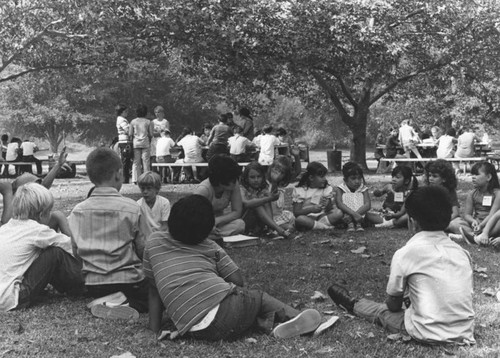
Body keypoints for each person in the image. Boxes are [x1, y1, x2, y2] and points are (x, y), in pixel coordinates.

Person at [145, 194, 322, 340]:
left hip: (197, 331)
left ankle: (272, 325)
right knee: (257, 298)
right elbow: (238, 280)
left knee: (243, 312)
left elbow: (154, 291)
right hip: (226, 313)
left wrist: (153, 330)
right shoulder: (209, 246)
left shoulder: (153, 242)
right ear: (206, 230)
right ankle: (299, 317)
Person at [327, 185, 475, 345]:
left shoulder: (406, 253)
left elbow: (393, 305)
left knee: (381, 311)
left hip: (426, 332)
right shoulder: (462, 252)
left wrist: (405, 301)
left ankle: (352, 303)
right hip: (464, 331)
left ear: (412, 222)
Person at [68, 147, 151, 315]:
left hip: (93, 284)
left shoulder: (77, 211)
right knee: (158, 297)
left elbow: (76, 251)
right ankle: (122, 305)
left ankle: (107, 301)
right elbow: (143, 248)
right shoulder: (132, 208)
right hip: (129, 282)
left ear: (91, 177)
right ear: (119, 174)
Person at [0, 183, 84, 311]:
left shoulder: (5, 229)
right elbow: (71, 246)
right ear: (41, 215)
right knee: (55, 253)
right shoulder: (37, 230)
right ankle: (84, 286)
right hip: (11, 298)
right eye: (49, 212)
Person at [240, 162, 298, 239]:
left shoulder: (262, 188)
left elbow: (272, 194)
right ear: (246, 178)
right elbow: (246, 204)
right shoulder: (242, 188)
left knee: (264, 201)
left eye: (259, 176)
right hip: (245, 221)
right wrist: (268, 198)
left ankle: (270, 229)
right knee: (258, 203)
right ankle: (278, 230)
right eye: (252, 177)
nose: (256, 180)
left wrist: (274, 181)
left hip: (260, 223)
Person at [194, 155, 245, 237]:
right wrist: (208, 225)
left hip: (218, 223)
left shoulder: (234, 185)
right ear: (220, 179)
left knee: (240, 224)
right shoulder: (203, 190)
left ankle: (209, 237)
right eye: (231, 179)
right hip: (201, 223)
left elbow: (237, 212)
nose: (235, 181)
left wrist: (216, 221)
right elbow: (194, 217)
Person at [454, 162, 500, 245]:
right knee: (455, 223)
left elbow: (492, 215)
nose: (473, 177)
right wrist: (473, 221)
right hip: (476, 226)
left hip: (492, 224)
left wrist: (482, 226)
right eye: (472, 175)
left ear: (488, 177)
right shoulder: (472, 194)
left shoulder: (497, 194)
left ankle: (474, 237)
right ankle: (476, 235)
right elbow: (467, 215)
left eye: (476, 174)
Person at [293, 162, 343, 231]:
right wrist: (311, 209)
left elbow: (329, 209)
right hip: (307, 217)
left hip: (322, 216)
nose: (324, 179)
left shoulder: (326, 189)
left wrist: (327, 204)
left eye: (325, 176)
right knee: (300, 219)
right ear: (311, 178)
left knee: (339, 213)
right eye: (321, 176)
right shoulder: (301, 190)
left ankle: (316, 225)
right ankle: (325, 227)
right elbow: (296, 213)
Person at [335, 162, 379, 232]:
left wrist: (356, 214)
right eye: (353, 178)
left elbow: (367, 205)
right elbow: (339, 204)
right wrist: (353, 214)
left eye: (359, 178)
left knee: (372, 217)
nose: (357, 181)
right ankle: (349, 224)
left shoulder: (363, 189)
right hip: (346, 214)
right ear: (345, 180)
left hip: (361, 214)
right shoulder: (340, 189)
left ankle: (359, 223)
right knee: (338, 212)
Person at [424, 159, 463, 234]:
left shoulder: (450, 192)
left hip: (447, 220)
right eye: (430, 175)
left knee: (457, 224)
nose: (431, 178)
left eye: (435, 176)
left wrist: (443, 222)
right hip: (432, 220)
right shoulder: (426, 191)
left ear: (444, 179)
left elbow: (455, 213)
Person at [129, 103, 153, 183]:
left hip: (136, 143)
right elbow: (151, 134)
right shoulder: (148, 122)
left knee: (136, 162)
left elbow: (130, 134)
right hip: (145, 143)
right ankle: (146, 179)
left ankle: (135, 179)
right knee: (146, 161)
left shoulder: (133, 122)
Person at [115, 104, 133, 184]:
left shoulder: (122, 119)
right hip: (124, 141)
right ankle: (124, 178)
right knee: (125, 161)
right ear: (121, 112)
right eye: (125, 111)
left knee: (127, 160)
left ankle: (125, 178)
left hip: (125, 141)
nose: (127, 113)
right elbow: (127, 130)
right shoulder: (121, 119)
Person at [150, 106, 170, 173]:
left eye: (158, 112)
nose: (157, 114)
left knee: (162, 158)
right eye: (155, 112)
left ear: (162, 113)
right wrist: (160, 132)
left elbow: (167, 133)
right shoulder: (153, 122)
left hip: (163, 142)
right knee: (154, 158)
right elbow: (152, 133)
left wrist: (160, 133)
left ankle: (163, 176)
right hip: (155, 142)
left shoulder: (166, 122)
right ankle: (154, 173)